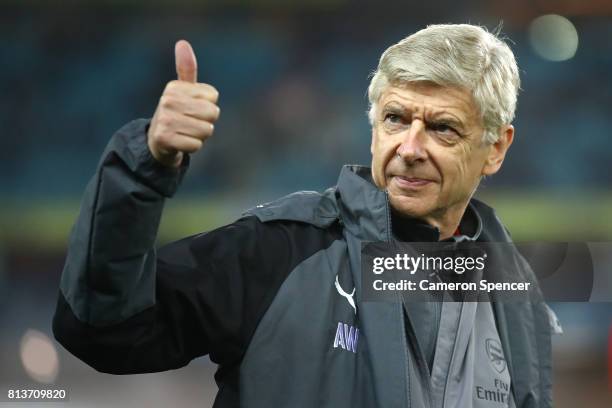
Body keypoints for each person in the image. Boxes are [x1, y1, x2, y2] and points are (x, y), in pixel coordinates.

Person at [53, 24, 555, 407]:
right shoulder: (278, 251)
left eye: (443, 128)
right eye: (395, 119)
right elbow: (101, 329)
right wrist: (144, 168)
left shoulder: (514, 291)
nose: (409, 148)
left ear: (495, 148)